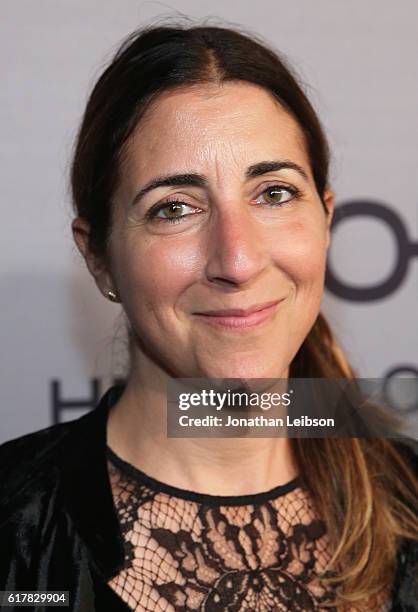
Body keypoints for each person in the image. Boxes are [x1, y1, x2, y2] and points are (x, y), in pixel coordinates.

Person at [0, 19, 417, 612]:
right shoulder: (15, 529)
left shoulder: (410, 500)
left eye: (273, 193)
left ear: (325, 220)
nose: (238, 260)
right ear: (99, 258)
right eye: (175, 208)